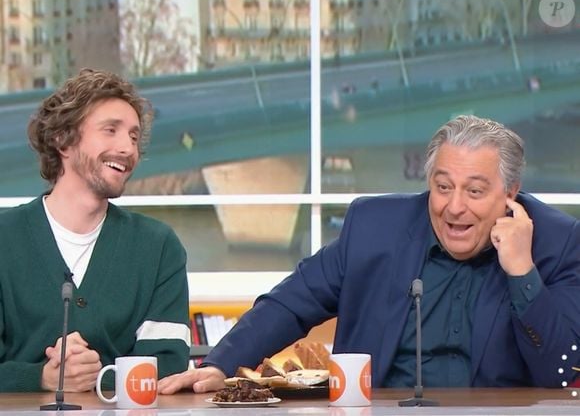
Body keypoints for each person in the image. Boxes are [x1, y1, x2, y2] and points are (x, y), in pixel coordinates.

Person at [158, 115, 580, 394]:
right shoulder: (375, 227)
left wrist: (523, 272)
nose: (454, 207)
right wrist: (220, 364)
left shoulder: (556, 244)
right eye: (443, 186)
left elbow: (562, 374)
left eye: (474, 191)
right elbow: (291, 302)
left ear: (509, 192)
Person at [0, 69, 191, 392]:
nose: (128, 149)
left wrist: (95, 376)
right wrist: (42, 378)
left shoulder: (159, 247)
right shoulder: (6, 238)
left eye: (133, 137)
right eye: (110, 131)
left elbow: (168, 363)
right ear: (63, 140)